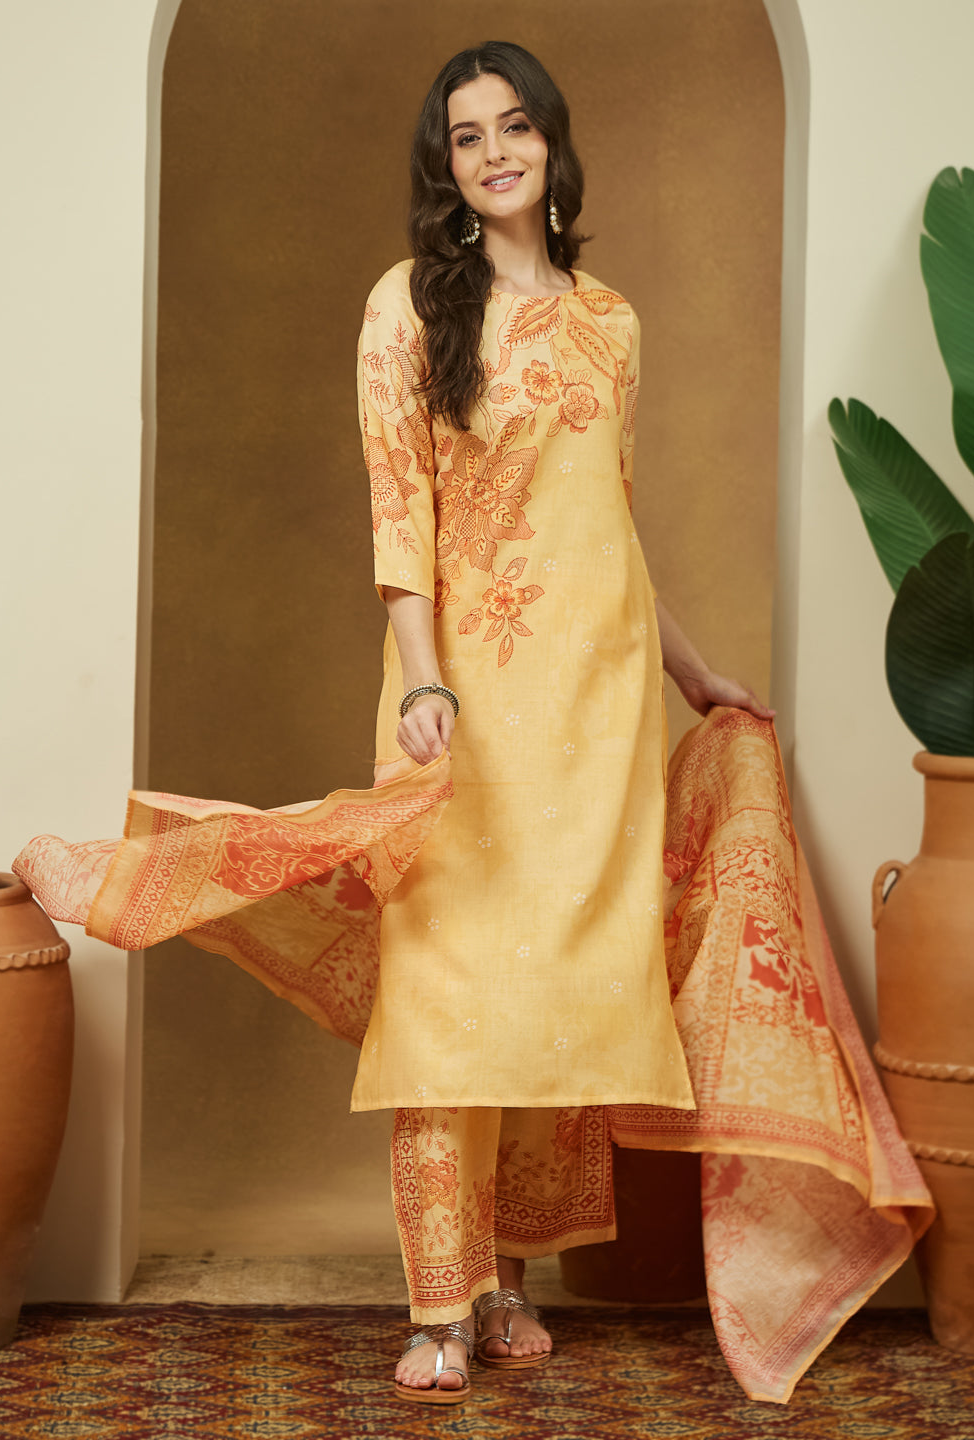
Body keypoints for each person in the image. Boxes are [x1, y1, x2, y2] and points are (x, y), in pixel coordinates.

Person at [355, 39, 775, 1404]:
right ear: (446, 165)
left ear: (552, 142)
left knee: (550, 987)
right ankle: (437, 1297)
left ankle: (507, 1281)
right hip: (464, 700)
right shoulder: (410, 306)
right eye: (467, 136)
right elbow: (400, 515)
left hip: (593, 708)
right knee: (447, 993)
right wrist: (424, 681)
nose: (495, 153)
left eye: (515, 126)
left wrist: (694, 675)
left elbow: (614, 528)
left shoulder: (613, 322)